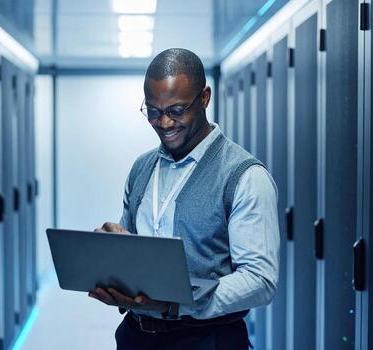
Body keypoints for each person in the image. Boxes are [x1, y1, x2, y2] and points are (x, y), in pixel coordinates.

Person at [89, 48, 280, 350]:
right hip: (135, 337)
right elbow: (133, 251)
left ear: (204, 98)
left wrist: (176, 302)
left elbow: (260, 281)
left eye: (176, 111)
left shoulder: (245, 176)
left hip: (207, 340)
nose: (164, 123)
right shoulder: (142, 167)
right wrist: (114, 258)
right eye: (153, 111)